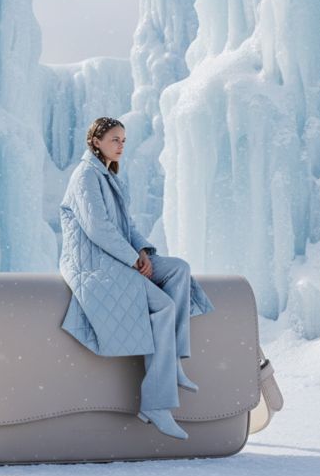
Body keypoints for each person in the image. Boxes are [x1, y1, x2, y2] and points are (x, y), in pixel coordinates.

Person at [58, 116, 215, 440]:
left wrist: (142, 250)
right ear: (96, 141)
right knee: (163, 307)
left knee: (178, 269)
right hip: (94, 262)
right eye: (115, 139)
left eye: (124, 140)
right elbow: (97, 228)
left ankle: (172, 362)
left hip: (121, 256)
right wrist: (132, 258)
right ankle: (156, 405)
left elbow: (126, 227)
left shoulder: (109, 177)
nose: (121, 145)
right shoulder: (85, 176)